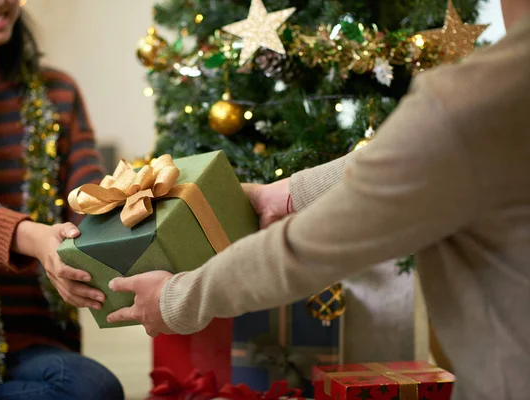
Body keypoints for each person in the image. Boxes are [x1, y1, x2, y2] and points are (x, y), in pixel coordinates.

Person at [106, 1, 530, 399]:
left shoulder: (473, 102)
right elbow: (408, 162)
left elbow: (306, 249)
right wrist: (291, 193)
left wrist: (176, 299)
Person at [0, 0, 123, 399]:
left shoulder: (59, 92)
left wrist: (105, 233)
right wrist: (34, 239)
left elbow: (86, 196)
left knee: (95, 389)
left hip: (32, 336)